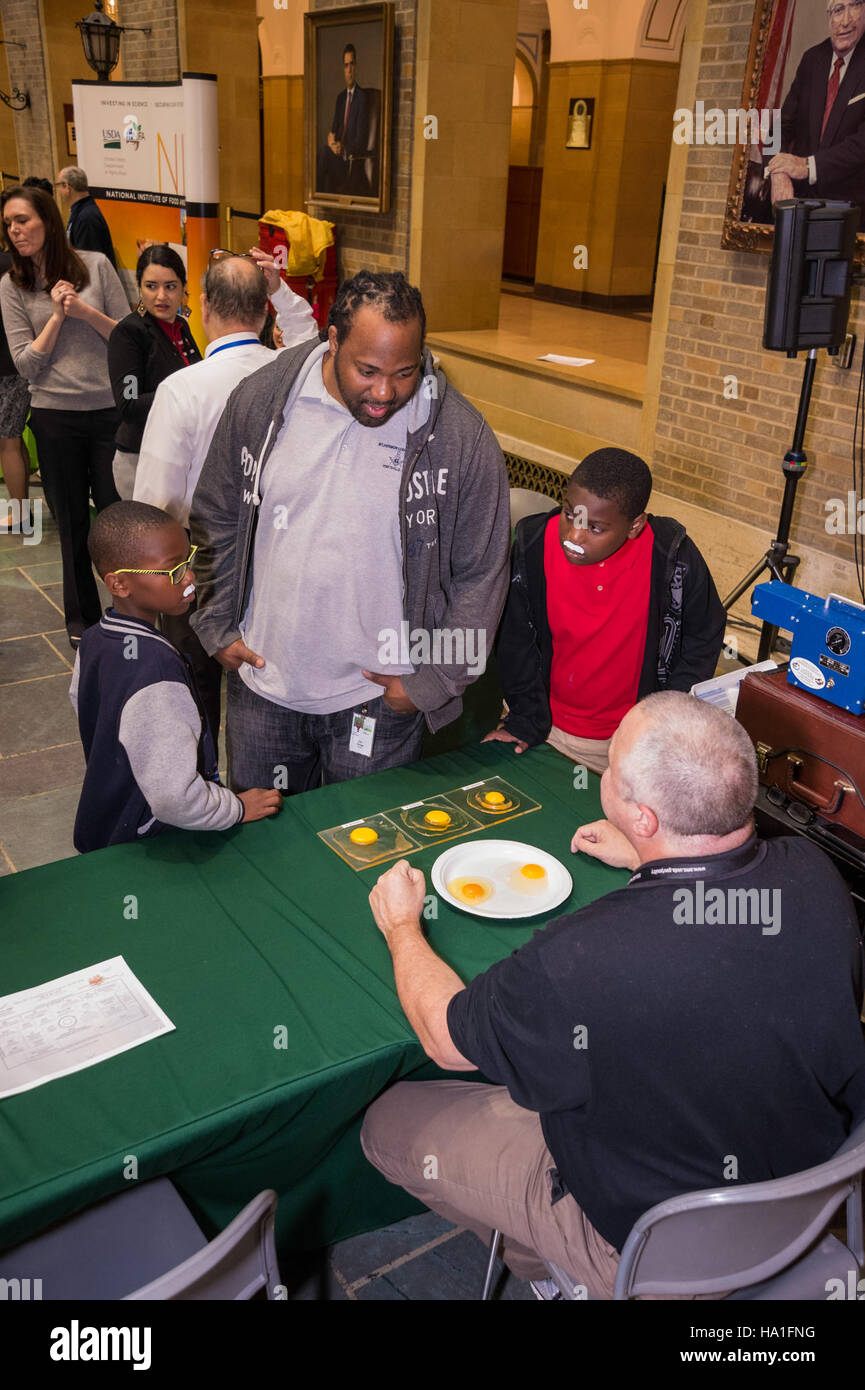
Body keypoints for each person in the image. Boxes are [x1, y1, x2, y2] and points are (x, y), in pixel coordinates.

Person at [361, 691, 865, 1298]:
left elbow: (445, 1039)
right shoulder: (814, 870)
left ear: (644, 814)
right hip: (801, 1198)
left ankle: (569, 1267)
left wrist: (401, 927)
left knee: (386, 1124)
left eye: (614, 768)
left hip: (652, 1247)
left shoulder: (580, 959)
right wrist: (651, 857)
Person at [188, 268, 511, 795]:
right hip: (263, 686)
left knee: (368, 853)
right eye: (367, 370)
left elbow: (483, 574)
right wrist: (216, 623)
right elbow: (215, 513)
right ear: (333, 339)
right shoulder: (263, 400)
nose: (385, 392)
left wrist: (432, 681)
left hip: (380, 702)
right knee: (263, 852)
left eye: (405, 372)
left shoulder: (460, 437)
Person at [132, 252, 317, 741]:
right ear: (263, 311)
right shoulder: (292, 374)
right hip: (280, 557)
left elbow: (157, 502)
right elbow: (311, 342)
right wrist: (282, 293)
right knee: (266, 685)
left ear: (205, 307)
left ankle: (202, 786)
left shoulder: (181, 389)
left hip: (202, 562)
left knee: (194, 693)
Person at [484, 448, 725, 774]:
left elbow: (703, 636)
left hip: (633, 741)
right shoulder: (533, 543)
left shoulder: (672, 557)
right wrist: (525, 719)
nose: (574, 536)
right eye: (570, 514)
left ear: (635, 526)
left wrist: (661, 721)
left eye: (595, 528)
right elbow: (515, 641)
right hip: (546, 729)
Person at [69, 501, 282, 854]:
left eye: (189, 560)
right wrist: (236, 808)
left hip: (107, 818)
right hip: (154, 838)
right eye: (173, 571)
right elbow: (173, 799)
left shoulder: (94, 639)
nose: (189, 578)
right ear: (119, 583)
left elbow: (88, 709)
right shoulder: (155, 668)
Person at [0, 184, 129, 647]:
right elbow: (25, 364)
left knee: (118, 521)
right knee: (72, 522)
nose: (15, 230)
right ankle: (83, 621)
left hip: (108, 412)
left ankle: (129, 614)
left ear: (48, 221)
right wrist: (55, 317)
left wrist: (84, 311)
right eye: (9, 224)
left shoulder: (94, 265)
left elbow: (126, 338)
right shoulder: (11, 286)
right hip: (54, 417)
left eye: (23, 220)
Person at [108, 244, 203, 502]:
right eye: (151, 286)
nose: (161, 296)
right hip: (140, 459)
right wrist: (181, 391)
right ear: (139, 287)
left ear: (183, 287)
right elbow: (129, 404)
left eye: (170, 286)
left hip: (178, 454)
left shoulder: (181, 326)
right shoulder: (128, 333)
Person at [766, 0, 865, 208]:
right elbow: (778, 129)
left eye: (854, 6)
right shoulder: (812, 60)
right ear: (828, 16)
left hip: (852, 212)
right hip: (801, 204)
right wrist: (779, 171)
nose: (845, 21)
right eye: (838, 10)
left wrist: (808, 166)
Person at [0, 246, 32, 531]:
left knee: (7, 441)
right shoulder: (15, 262)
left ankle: (20, 514)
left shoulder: (7, 265)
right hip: (19, 362)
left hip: (9, 367)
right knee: (13, 437)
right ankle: (20, 509)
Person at [317, 44, 370, 196]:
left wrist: (344, 148)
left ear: (356, 66)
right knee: (324, 153)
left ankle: (319, 202)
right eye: (346, 65)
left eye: (352, 64)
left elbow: (361, 140)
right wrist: (331, 141)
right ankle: (321, 200)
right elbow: (333, 130)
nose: (349, 70)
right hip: (337, 158)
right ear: (343, 69)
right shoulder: (340, 98)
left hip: (351, 163)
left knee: (324, 155)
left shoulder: (362, 99)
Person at [55, 167, 117, 268]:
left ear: (67, 187)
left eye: (58, 186)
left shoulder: (86, 218)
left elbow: (89, 263)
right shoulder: (81, 212)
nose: (58, 191)